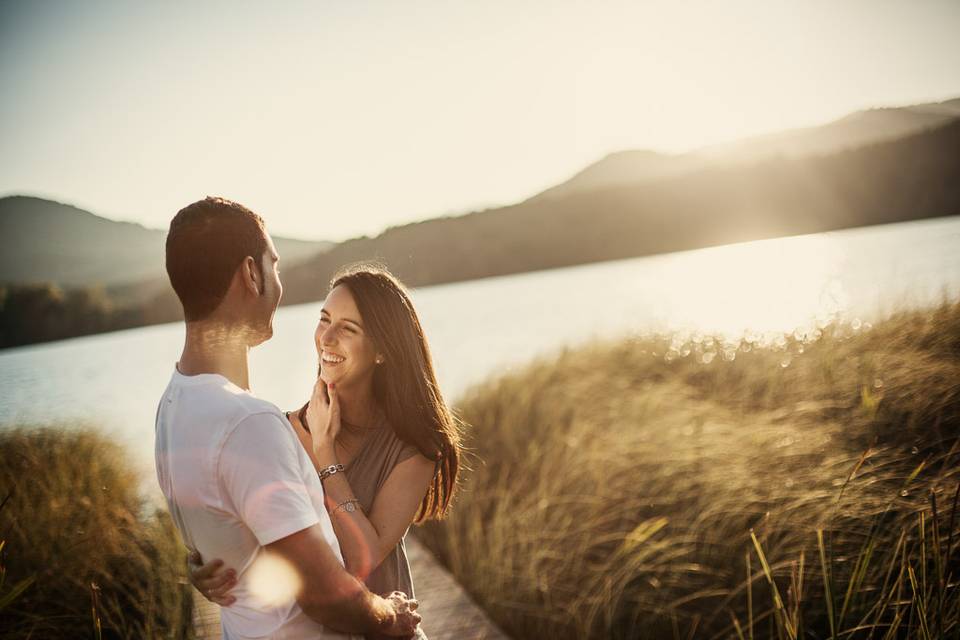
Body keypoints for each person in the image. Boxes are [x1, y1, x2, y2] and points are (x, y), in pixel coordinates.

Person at [155, 196, 421, 640]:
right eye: (273, 266)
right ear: (251, 273)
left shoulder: (171, 406)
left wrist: (210, 556)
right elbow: (324, 596)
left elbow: (226, 526)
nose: (279, 285)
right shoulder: (250, 424)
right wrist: (392, 618)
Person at [189, 263, 463, 640]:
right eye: (324, 319)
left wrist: (324, 452)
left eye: (348, 328)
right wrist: (202, 565)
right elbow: (242, 531)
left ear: (382, 350)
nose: (326, 338)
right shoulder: (277, 432)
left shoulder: (415, 447)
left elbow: (363, 558)